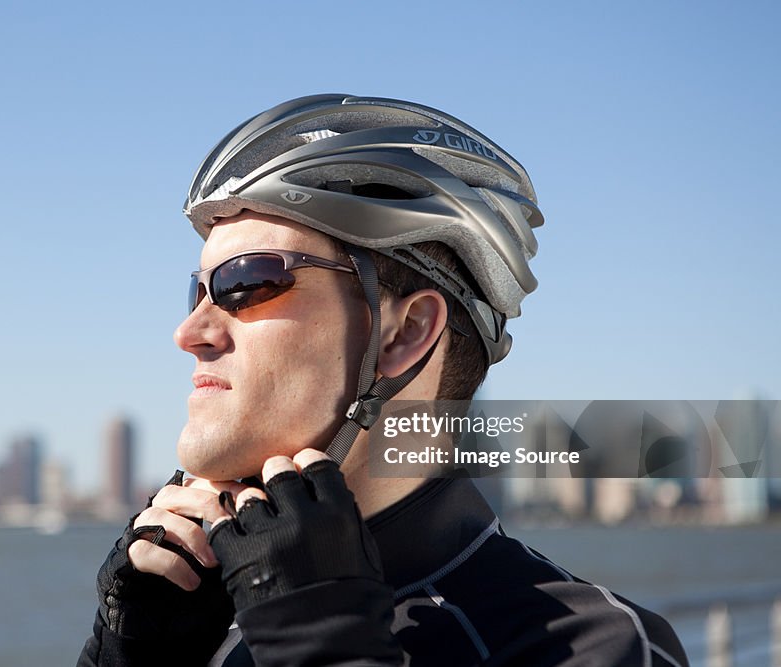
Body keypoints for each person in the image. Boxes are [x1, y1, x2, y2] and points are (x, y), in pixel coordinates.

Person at [76, 94, 689, 666]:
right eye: (198, 289)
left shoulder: (594, 647)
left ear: (404, 332)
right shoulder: (227, 623)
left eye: (248, 282)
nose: (190, 332)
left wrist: (322, 643)